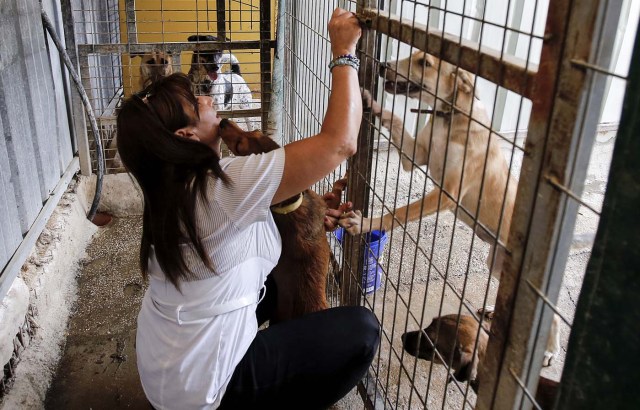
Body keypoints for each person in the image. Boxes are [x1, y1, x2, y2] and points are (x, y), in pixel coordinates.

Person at [116, 8, 380, 410]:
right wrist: (343, 51)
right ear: (186, 135)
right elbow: (340, 143)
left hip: (166, 370)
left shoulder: (166, 186)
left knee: (281, 281)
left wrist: (306, 211)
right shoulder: (223, 186)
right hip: (206, 391)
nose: (207, 97)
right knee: (362, 331)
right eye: (196, 100)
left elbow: (250, 229)